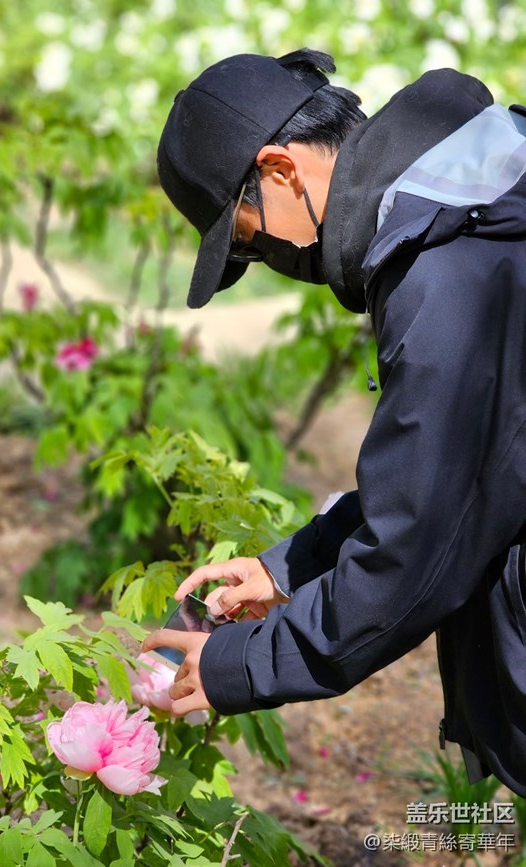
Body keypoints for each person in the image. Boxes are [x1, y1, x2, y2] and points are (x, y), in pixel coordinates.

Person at [142, 48, 526, 796]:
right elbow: (467, 468)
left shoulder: (444, 277)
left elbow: (413, 554)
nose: (265, 255)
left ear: (281, 170)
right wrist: (289, 567)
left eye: (248, 238)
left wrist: (236, 663)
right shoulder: (474, 204)